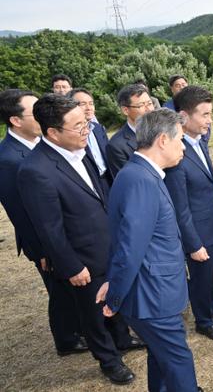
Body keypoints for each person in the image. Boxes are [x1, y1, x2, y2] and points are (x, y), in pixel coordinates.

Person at [18, 94, 140, 385]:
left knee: (116, 298)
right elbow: (49, 228)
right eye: (78, 127)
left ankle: (123, 339)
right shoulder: (36, 171)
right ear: (52, 132)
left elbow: (98, 196)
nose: (87, 131)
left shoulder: (79, 150)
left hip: (107, 245)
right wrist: (72, 266)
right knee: (93, 314)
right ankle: (109, 360)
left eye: (86, 124)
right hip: (83, 259)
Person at [96, 108, 202, 392]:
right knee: (178, 362)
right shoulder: (140, 180)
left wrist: (112, 282)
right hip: (153, 297)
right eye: (180, 139)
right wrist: (114, 295)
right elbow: (129, 247)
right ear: (163, 140)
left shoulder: (143, 173)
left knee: (161, 356)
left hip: (155, 291)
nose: (183, 146)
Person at [0, 89, 85, 356]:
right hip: (44, 243)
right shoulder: (8, 159)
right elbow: (21, 212)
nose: (40, 115)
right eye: (32, 111)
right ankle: (67, 340)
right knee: (59, 291)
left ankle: (77, 329)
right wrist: (43, 251)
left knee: (68, 289)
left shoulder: (39, 143)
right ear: (15, 120)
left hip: (61, 231)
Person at [164, 86, 213, 341]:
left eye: (211, 113)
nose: (210, 120)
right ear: (183, 117)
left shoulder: (198, 141)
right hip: (198, 231)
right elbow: (180, 206)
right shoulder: (176, 153)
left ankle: (212, 307)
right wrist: (193, 243)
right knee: (200, 278)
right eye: (205, 114)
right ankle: (203, 321)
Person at [106, 84, 155, 177]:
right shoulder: (117, 146)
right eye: (141, 105)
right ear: (125, 110)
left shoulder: (164, 130)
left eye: (150, 103)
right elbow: (129, 181)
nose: (149, 109)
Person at [69, 88, 113, 188]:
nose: (88, 108)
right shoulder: (70, 133)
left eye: (91, 103)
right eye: (83, 104)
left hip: (108, 179)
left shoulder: (98, 128)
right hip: (89, 184)